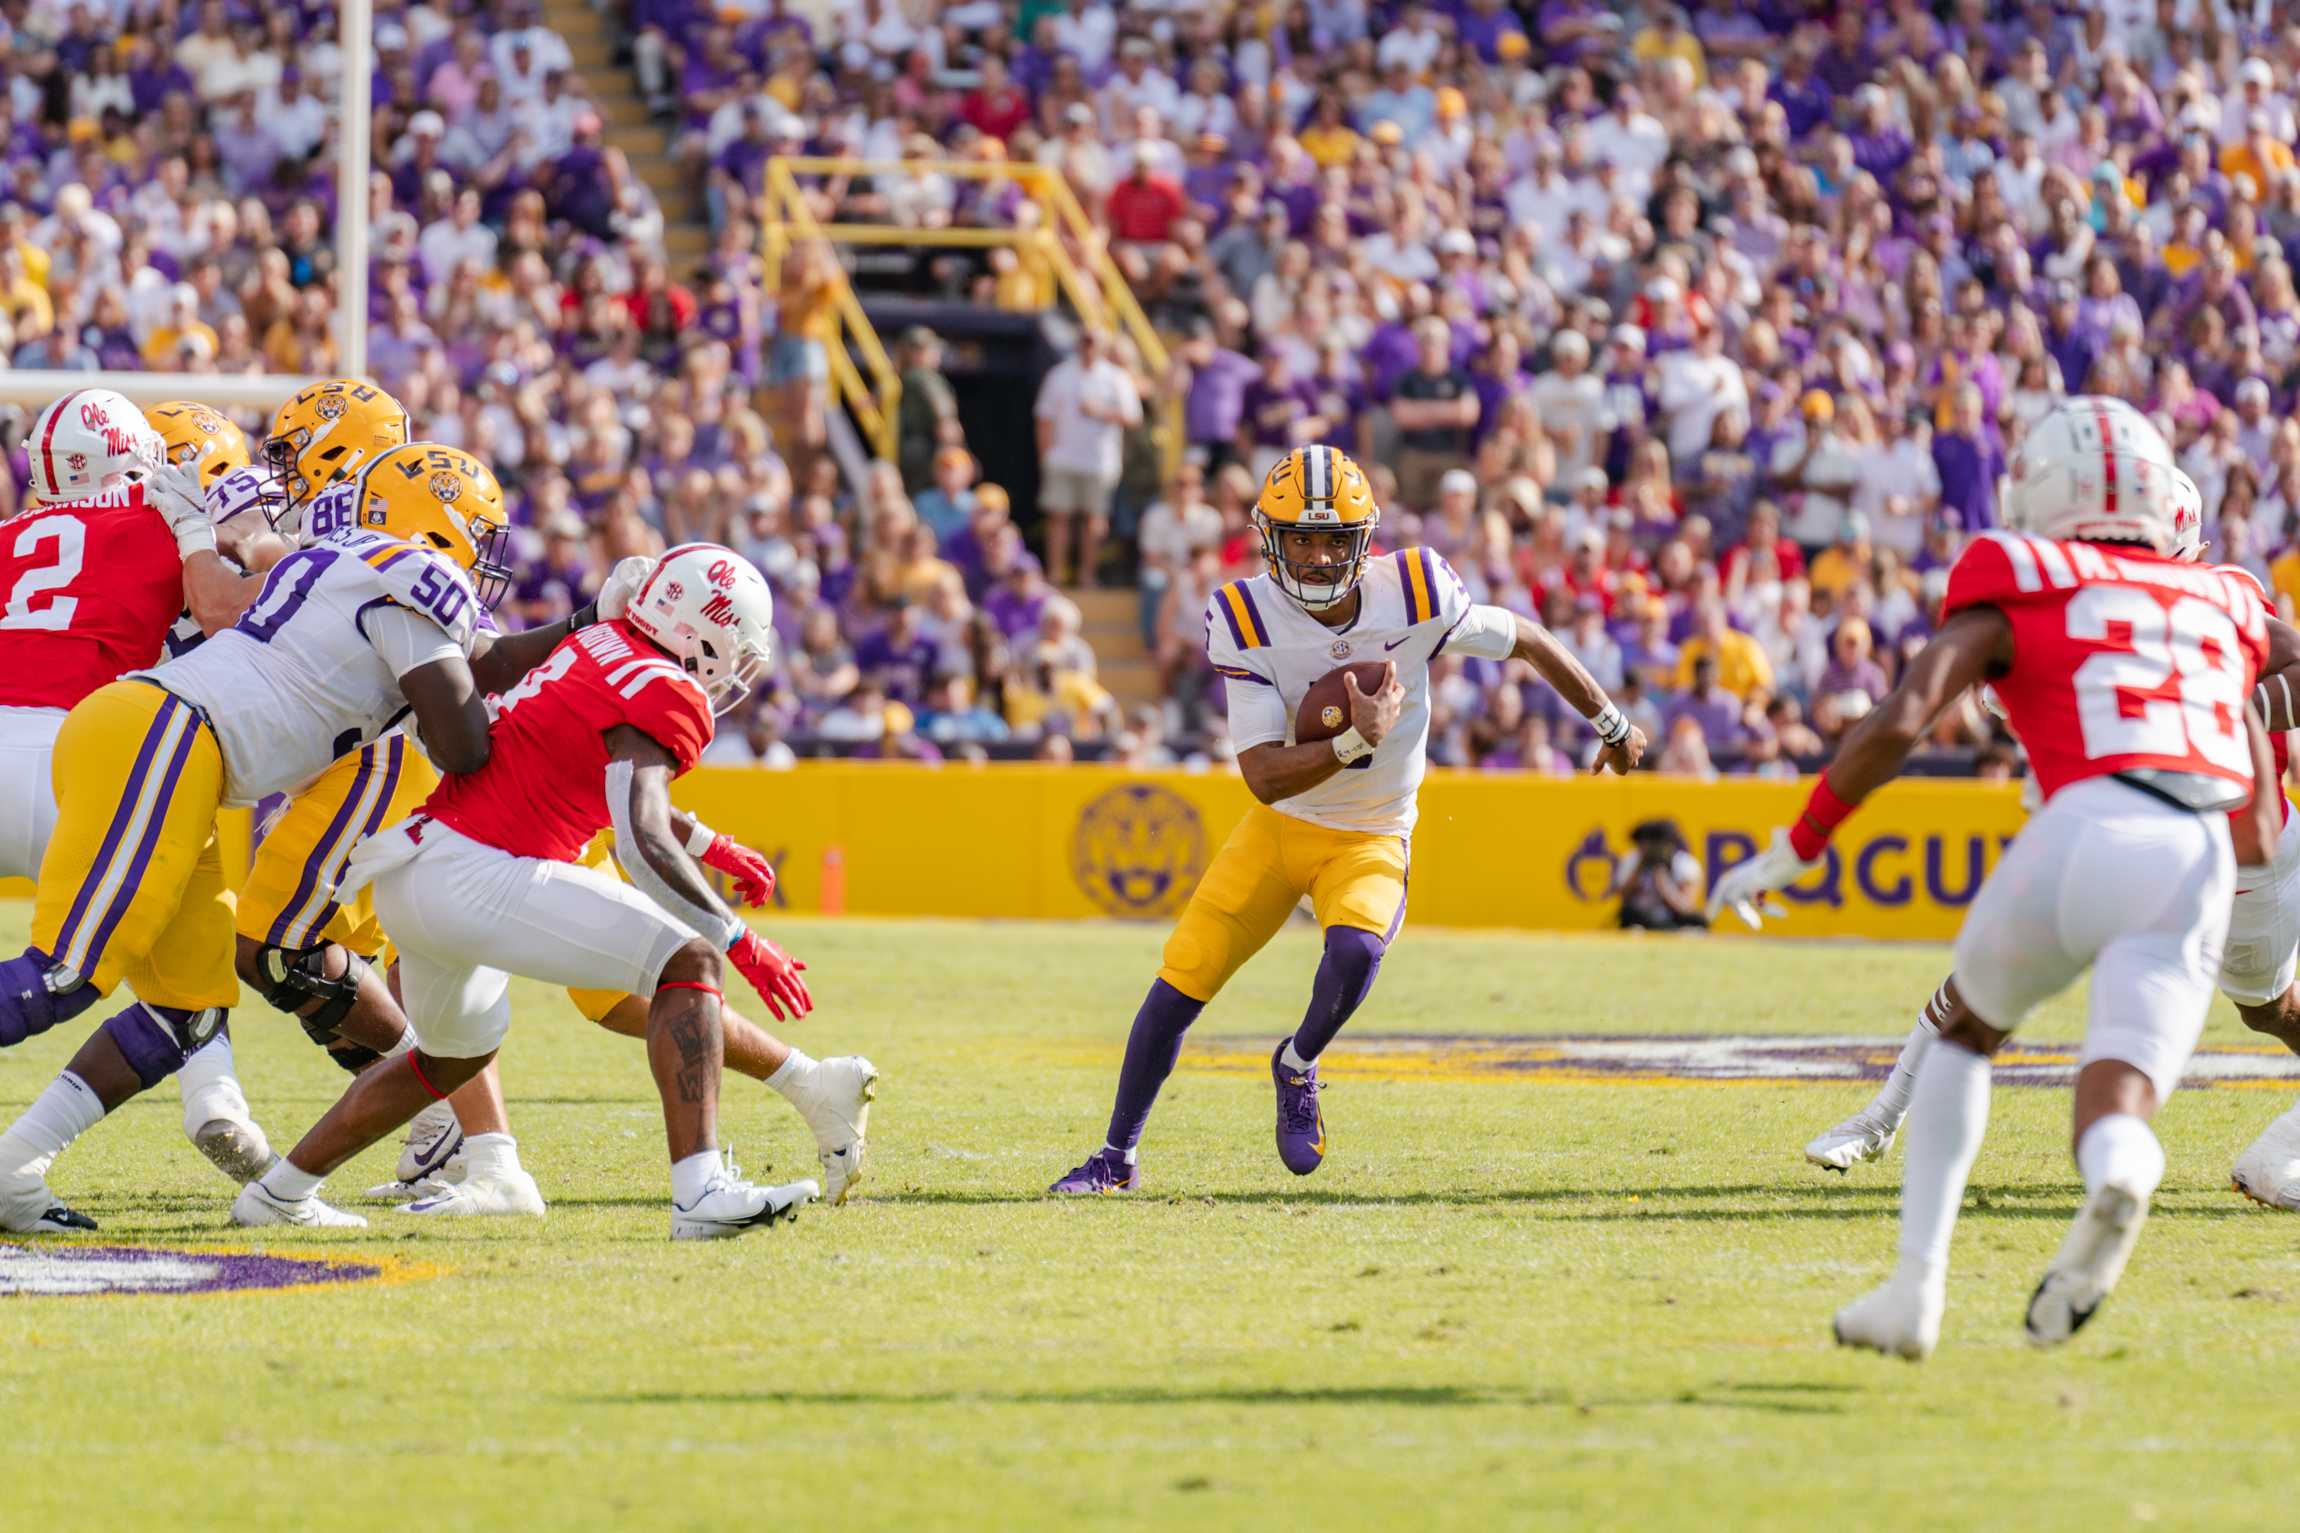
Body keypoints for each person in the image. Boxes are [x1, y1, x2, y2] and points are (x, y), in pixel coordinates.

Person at [1711, 398, 2278, 1359]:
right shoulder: (2221, 599)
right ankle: (2122, 1166)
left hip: (2089, 819)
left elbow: (1902, 720)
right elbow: (2261, 811)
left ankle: (1915, 1289)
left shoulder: (2023, 572)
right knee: (2124, 1082)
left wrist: (1801, 843)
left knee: (1971, 1029)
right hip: (2199, 857)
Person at [1050, 446, 1645, 1194]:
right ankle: (1116, 1157)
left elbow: (1522, 636)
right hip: (1282, 827)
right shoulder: (1243, 615)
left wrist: (1613, 723)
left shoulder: (1419, 589)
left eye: (1335, 538)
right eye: (1302, 536)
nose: (1320, 554)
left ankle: (1297, 1063)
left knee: (1357, 951)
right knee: (1181, 980)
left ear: (1365, 540)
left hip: (1372, 830)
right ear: (1271, 539)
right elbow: (1263, 776)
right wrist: (1356, 738)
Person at [236, 546, 821, 1239]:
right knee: (690, 959)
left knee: (448, 1058)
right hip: (477, 870)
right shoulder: (666, 689)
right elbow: (639, 834)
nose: (735, 666)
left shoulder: (600, 643)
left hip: (417, 871)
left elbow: (592, 778)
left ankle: (279, 1191)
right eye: (735, 647)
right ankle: (700, 1191)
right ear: (703, 630)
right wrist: (740, 938)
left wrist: (714, 847)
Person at [0, 391, 276, 1231]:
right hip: (91, 759)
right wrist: (223, 532)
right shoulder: (164, 518)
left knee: (183, 981)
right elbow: (238, 610)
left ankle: (14, 1176)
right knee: (114, 982)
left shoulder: (11, 539)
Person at [1033, 330, 1142, 588]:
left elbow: (1133, 417)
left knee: (1094, 520)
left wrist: (1100, 412)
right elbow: (1044, 418)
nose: (1088, 347)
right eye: (1085, 341)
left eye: (1093, 342)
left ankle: (1087, 576)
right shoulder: (1059, 375)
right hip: (1062, 460)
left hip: (1100, 462)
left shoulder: (1116, 377)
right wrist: (1046, 456)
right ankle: (1056, 574)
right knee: (1058, 517)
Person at [1612, 819, 1706, 932]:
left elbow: (1685, 908)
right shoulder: (1631, 861)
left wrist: (1661, 878)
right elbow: (1623, 896)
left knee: (1698, 920)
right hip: (1640, 918)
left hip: (1672, 920)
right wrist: (1640, 867)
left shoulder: (1684, 864)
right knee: (1627, 913)